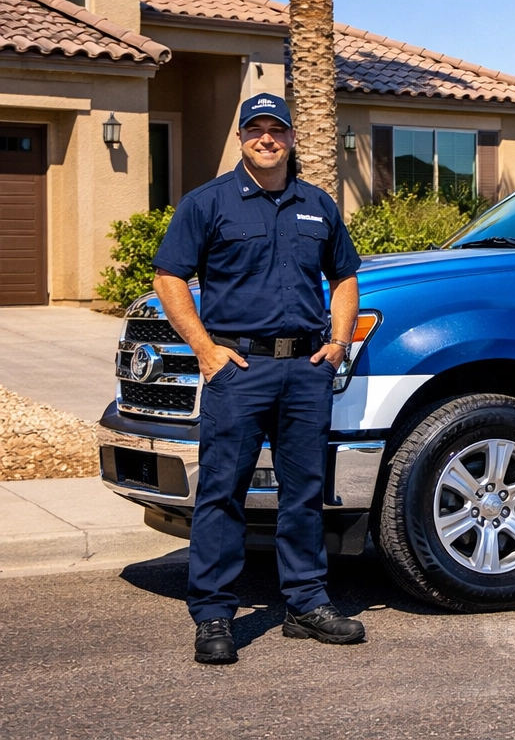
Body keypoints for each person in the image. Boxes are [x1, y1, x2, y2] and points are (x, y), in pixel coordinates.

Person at [153, 93, 366, 665]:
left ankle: (306, 604)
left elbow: (344, 277)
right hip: (238, 370)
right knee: (223, 491)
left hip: (305, 370)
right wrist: (204, 349)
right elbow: (169, 276)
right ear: (242, 138)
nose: (267, 138)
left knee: (304, 493)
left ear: (293, 138)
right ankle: (215, 614)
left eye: (277, 129)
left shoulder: (318, 205)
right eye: (256, 129)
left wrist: (338, 343)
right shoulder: (209, 203)